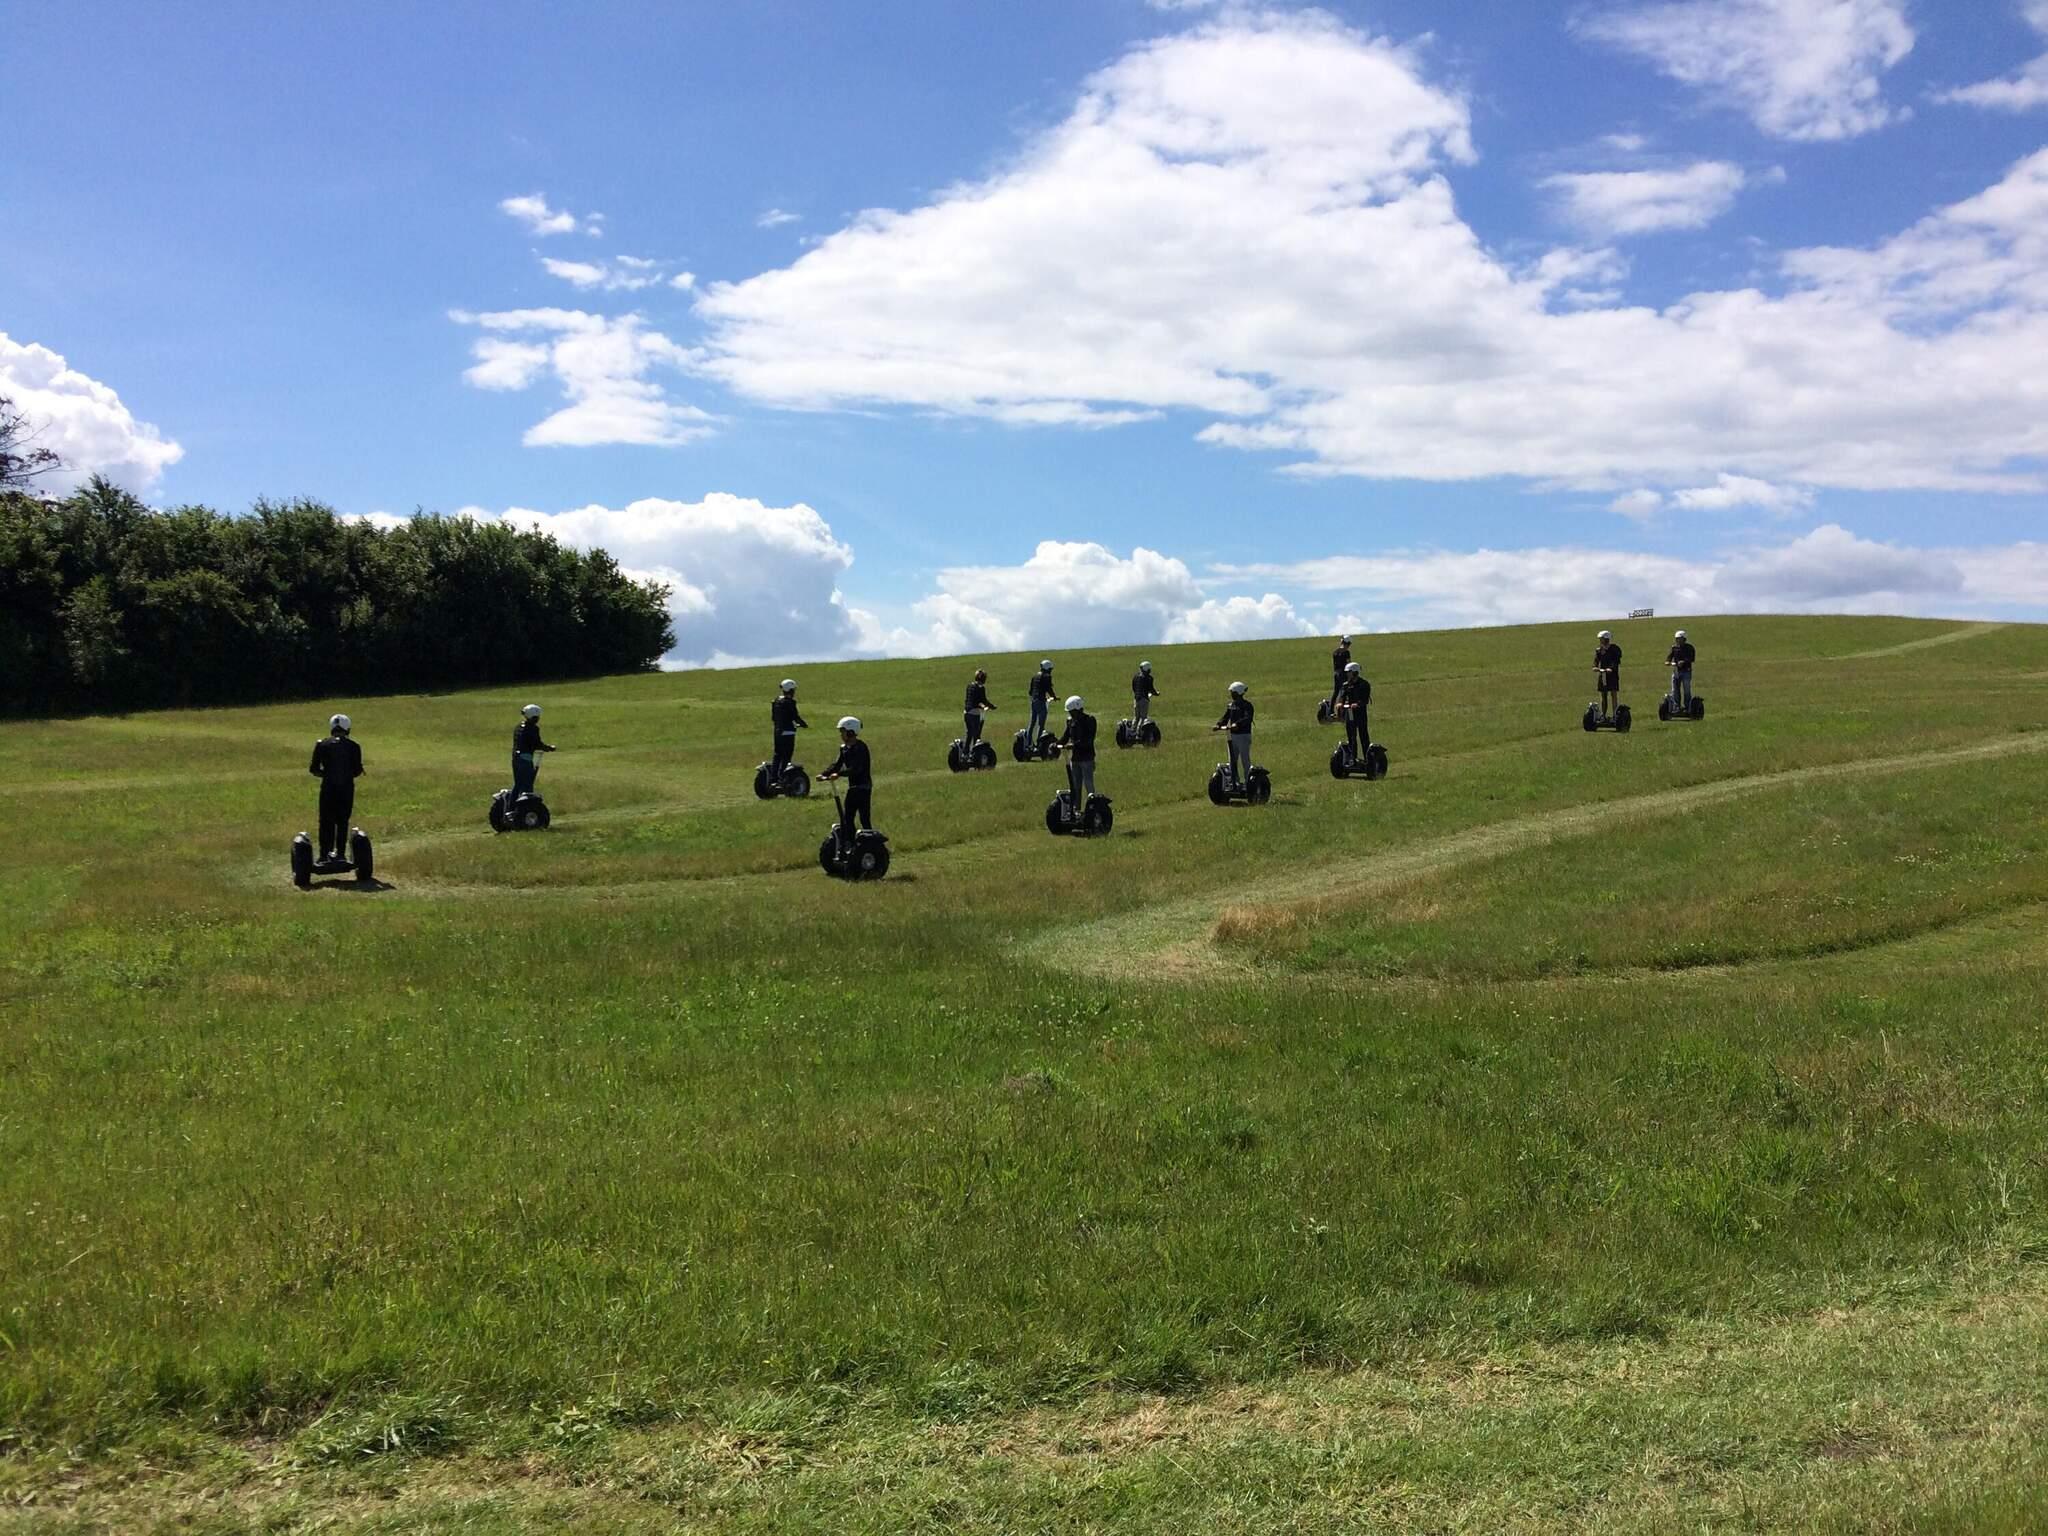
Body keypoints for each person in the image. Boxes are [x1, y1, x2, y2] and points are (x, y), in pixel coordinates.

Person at [309, 713, 364, 861]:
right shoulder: (354, 746)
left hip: (328, 788)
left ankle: (324, 855)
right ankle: (340, 854)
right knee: (342, 820)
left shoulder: (322, 744)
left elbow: (314, 769)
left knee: (325, 821)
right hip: (346, 788)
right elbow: (357, 770)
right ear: (347, 728)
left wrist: (326, 774)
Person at [820, 716, 874, 831]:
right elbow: (837, 764)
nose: (841, 735)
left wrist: (838, 774)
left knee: (864, 818)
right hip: (853, 787)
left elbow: (856, 769)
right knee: (847, 818)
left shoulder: (860, 748)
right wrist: (824, 774)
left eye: (843, 732)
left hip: (863, 787)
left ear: (851, 732)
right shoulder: (844, 748)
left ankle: (869, 839)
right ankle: (849, 839)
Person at [1213, 681, 1255, 790]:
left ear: (1238, 693)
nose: (1231, 694)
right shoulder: (1231, 705)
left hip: (1243, 736)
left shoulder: (1247, 706)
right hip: (1232, 736)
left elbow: (1248, 718)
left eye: (1233, 693)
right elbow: (1225, 717)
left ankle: (1248, 783)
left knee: (1245, 760)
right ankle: (1234, 782)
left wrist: (1238, 724)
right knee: (1232, 760)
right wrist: (1218, 724)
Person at [1060, 694, 1098, 804]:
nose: (1070, 714)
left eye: (1072, 712)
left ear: (1078, 709)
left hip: (1087, 758)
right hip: (1075, 758)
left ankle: (1092, 806)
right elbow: (1065, 737)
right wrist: (1055, 744)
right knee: (1075, 786)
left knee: (1088, 784)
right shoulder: (1070, 721)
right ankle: (1076, 808)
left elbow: (1088, 741)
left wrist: (1073, 746)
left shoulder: (1089, 720)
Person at [512, 703, 555, 800]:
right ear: (534, 717)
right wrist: (549, 748)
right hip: (525, 759)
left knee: (518, 784)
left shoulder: (518, 727)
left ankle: (511, 805)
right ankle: (526, 806)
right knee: (527, 784)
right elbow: (537, 744)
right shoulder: (533, 729)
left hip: (515, 758)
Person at [1334, 660, 1371, 759]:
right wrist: (1340, 703)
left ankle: (1367, 758)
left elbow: (1365, 699)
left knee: (1363, 735)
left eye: (1349, 673)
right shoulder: (1346, 685)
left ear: (1355, 673)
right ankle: (1352, 758)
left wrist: (1357, 704)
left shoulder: (1364, 684)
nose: (1347, 675)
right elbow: (1342, 695)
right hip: (1349, 713)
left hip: (1360, 713)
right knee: (1351, 736)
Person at [771, 679, 807, 776]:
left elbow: (773, 718)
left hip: (777, 731)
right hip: (788, 732)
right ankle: (782, 776)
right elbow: (795, 717)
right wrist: (804, 724)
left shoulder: (776, 701)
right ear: (791, 690)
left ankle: (773, 777)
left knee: (777, 755)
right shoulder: (790, 702)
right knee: (786, 756)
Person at [1593, 630, 1623, 720]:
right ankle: (1603, 715)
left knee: (1613, 694)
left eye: (1602, 639)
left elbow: (1616, 661)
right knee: (1603, 695)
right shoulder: (1599, 650)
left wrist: (1611, 668)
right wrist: (1595, 667)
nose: (1600, 641)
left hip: (1612, 675)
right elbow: (1596, 660)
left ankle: (1615, 714)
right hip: (1603, 674)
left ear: (1606, 639)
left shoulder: (1615, 649)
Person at [963, 668, 996, 748]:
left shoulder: (969, 686)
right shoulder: (981, 688)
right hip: (974, 713)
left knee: (969, 733)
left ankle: (965, 751)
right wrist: (992, 706)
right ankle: (975, 752)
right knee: (977, 735)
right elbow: (983, 700)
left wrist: (982, 706)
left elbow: (970, 699)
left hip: (966, 712)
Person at [1667, 629, 1697, 712]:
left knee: (1686, 689)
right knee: (1675, 690)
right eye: (1677, 639)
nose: (1678, 641)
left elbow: (1692, 658)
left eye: (1680, 639)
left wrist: (1684, 662)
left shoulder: (1689, 648)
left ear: (1684, 639)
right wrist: (1668, 661)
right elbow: (1669, 657)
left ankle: (1687, 707)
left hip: (1686, 671)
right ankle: (1676, 706)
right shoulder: (1674, 648)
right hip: (1676, 671)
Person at [1026, 659, 1055, 744]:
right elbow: (1049, 688)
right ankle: (1039, 743)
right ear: (1048, 668)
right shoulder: (1047, 676)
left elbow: (1030, 691)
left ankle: (1028, 743)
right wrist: (1054, 697)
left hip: (1033, 700)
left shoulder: (1035, 676)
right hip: (1041, 701)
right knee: (1041, 724)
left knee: (1032, 723)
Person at [1331, 634, 1353, 699]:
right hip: (1343, 674)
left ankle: (1331, 705)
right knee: (1343, 689)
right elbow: (1349, 664)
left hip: (1336, 673)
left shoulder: (1335, 652)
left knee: (1336, 691)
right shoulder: (1346, 652)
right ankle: (1341, 703)